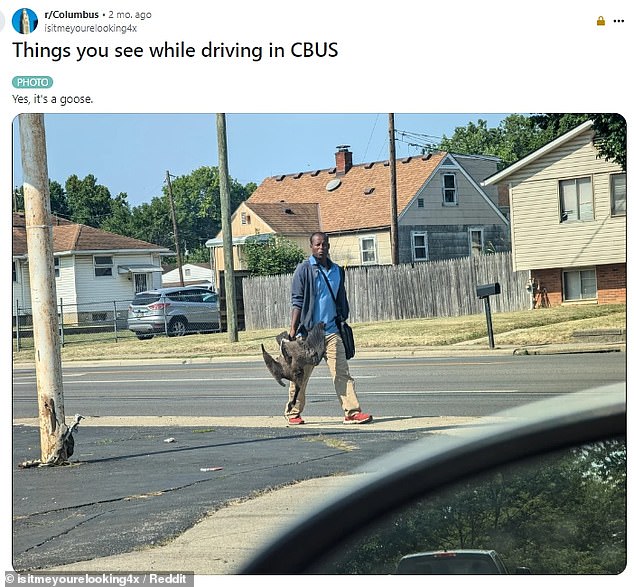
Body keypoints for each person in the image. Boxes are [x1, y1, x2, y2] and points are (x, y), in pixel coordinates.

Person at [285, 231, 373, 425]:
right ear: (311, 246)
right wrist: (293, 329)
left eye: (324, 244)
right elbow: (297, 301)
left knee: (342, 372)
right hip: (309, 334)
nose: (321, 248)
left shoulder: (337, 271)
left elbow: (340, 297)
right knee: (300, 376)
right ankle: (293, 413)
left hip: (332, 331)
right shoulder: (304, 269)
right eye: (317, 245)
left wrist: (343, 317)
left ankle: (352, 412)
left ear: (329, 246)